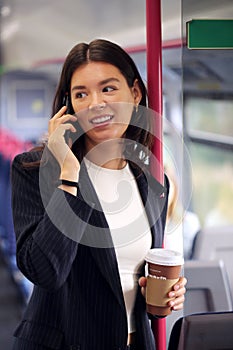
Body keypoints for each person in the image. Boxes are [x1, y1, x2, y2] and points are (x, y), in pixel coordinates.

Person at [11, 39, 187, 350]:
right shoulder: (34, 171)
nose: (95, 103)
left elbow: (129, 282)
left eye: (108, 89)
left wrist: (163, 296)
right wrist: (68, 174)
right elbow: (45, 271)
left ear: (134, 94)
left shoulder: (153, 181)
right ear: (69, 107)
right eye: (81, 94)